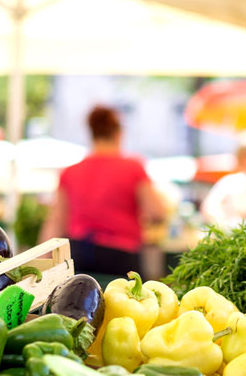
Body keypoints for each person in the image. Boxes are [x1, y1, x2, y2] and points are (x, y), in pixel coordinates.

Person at [41, 105, 163, 275]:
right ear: (118, 134)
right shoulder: (133, 168)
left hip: (79, 253)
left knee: (79, 300)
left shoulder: (71, 172)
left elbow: (56, 221)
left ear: (92, 134)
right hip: (121, 255)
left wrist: (42, 262)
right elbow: (157, 212)